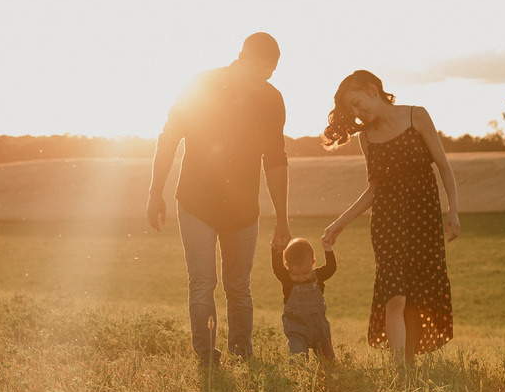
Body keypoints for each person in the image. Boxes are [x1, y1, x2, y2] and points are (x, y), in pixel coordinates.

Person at [147, 32, 290, 366]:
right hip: (197, 200)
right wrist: (155, 193)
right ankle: (207, 357)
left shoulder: (271, 99)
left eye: (269, 75)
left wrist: (282, 217)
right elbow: (168, 139)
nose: (263, 80)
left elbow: (276, 158)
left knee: (239, 286)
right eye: (259, 71)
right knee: (203, 282)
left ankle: (242, 354)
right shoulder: (201, 84)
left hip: (243, 208)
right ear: (242, 56)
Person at [320, 70, 459, 363]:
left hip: (424, 219)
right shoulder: (366, 138)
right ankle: (401, 375)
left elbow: (444, 166)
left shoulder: (416, 116)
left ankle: (409, 363)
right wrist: (339, 223)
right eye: (351, 110)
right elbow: (373, 189)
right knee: (394, 295)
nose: (358, 113)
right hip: (387, 223)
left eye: (358, 103)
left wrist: (453, 210)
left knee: (418, 294)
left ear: (373, 90)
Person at [273, 236, 337, 365]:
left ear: (313, 263)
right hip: (297, 330)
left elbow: (331, 268)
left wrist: (328, 249)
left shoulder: (318, 276)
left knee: (328, 361)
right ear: (287, 266)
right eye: (295, 274)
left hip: (320, 330)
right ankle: (299, 377)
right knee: (298, 359)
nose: (301, 277)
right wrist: (277, 251)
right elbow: (277, 268)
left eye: (306, 273)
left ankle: (329, 375)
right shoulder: (287, 280)